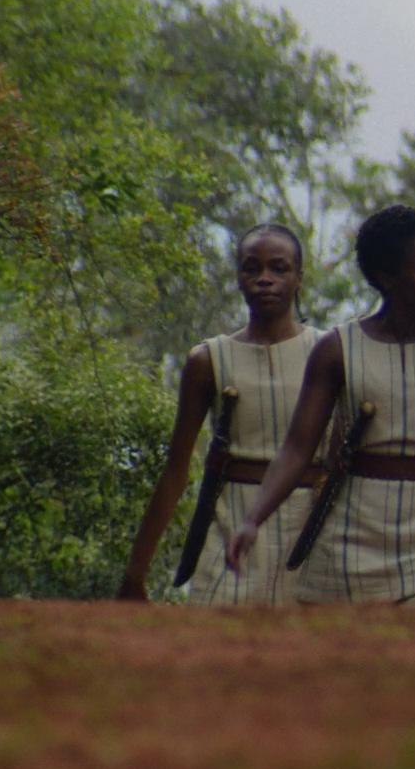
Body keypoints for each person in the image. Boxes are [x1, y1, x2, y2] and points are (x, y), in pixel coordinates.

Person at [225, 204, 415, 610]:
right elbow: (296, 449)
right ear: (387, 277)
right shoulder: (337, 349)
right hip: (344, 548)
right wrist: (252, 519)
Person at [117, 224, 321, 605]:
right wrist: (135, 573)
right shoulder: (208, 360)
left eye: (279, 268)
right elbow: (177, 468)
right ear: (239, 278)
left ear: (299, 278)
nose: (265, 279)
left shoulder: (326, 353)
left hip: (309, 534)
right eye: (252, 268)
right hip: (230, 525)